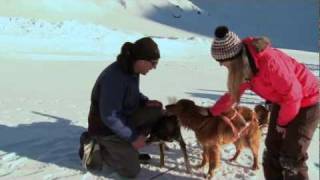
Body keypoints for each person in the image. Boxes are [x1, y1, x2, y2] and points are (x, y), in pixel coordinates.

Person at [209, 26, 319, 180]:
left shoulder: (269, 62)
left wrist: (283, 124)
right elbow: (232, 95)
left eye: (223, 62)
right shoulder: (245, 67)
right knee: (273, 149)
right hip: (283, 101)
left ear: (233, 59)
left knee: (291, 156)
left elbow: (294, 95)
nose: (222, 66)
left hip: (309, 100)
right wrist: (210, 112)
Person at [79, 37, 163, 178]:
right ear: (142, 60)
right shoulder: (114, 78)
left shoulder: (132, 69)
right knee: (131, 171)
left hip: (124, 117)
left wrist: (145, 101)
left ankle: (125, 149)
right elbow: (110, 116)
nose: (154, 67)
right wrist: (134, 138)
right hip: (104, 129)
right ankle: (96, 148)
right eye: (153, 63)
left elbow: (130, 94)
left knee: (156, 111)